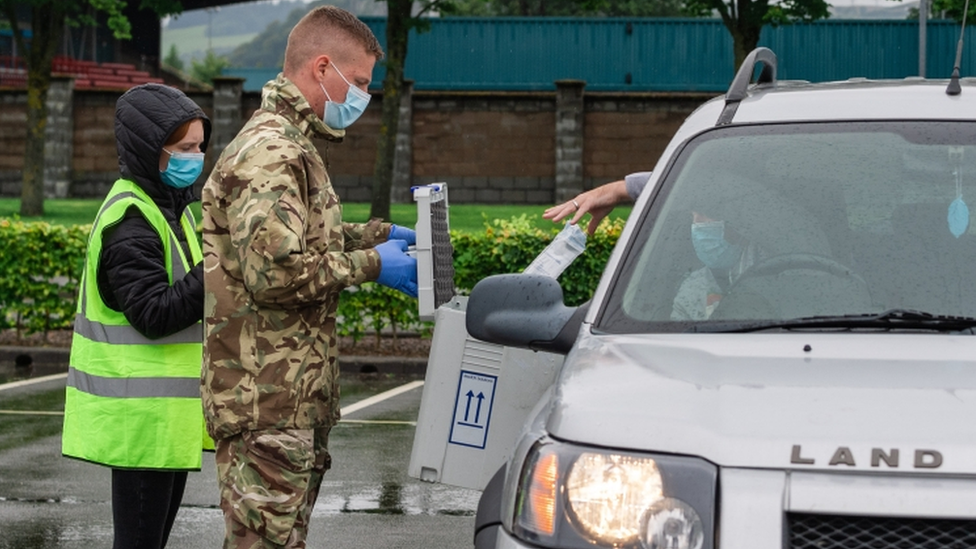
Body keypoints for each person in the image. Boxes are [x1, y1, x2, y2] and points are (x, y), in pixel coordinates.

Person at [200, 6, 418, 548]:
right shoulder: (273, 151)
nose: (364, 97)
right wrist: (374, 266)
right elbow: (275, 273)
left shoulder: (292, 143)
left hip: (286, 400)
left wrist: (377, 236)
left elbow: (302, 239)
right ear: (323, 68)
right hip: (266, 403)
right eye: (361, 83)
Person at [61, 83, 212, 549]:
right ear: (152, 150)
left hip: (162, 423)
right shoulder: (131, 220)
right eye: (185, 148)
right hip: (141, 423)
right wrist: (221, 267)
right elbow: (153, 313)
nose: (197, 157)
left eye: (201, 146)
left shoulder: (174, 210)